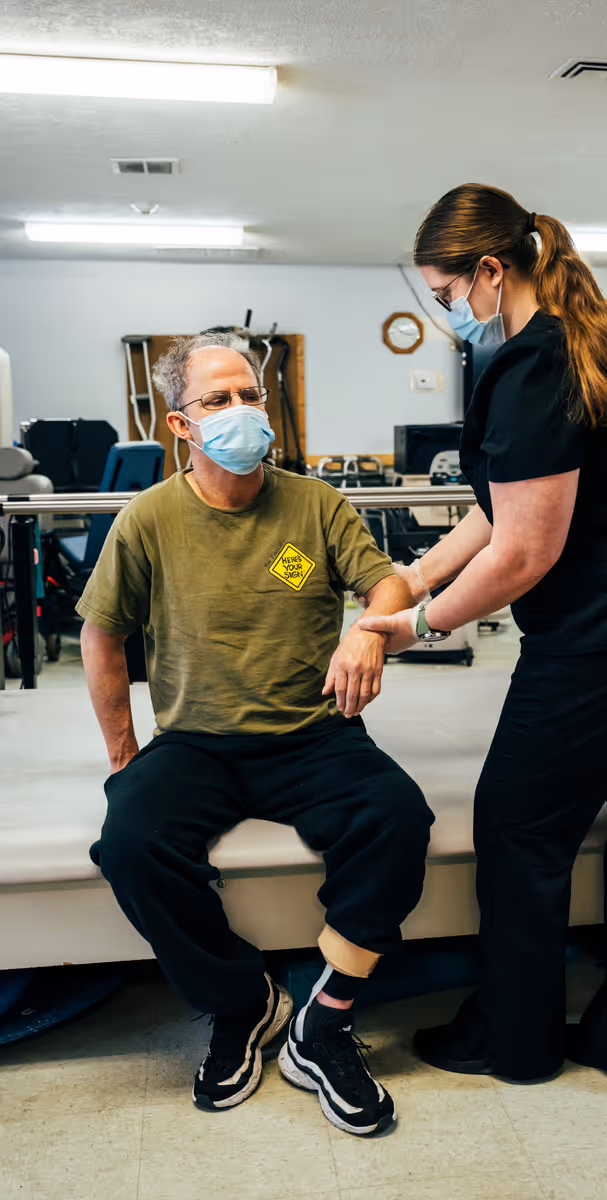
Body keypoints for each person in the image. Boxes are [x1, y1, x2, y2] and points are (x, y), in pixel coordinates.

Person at [359, 184, 607, 1097]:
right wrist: (415, 575)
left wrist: (422, 625)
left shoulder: (536, 363)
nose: (451, 312)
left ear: (490, 271)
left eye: (448, 295)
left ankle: (513, 1038)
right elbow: (507, 505)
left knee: (518, 820)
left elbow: (527, 549)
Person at [78, 332, 433, 1135]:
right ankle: (244, 1001)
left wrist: (371, 629)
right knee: (130, 843)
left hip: (314, 734)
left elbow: (390, 584)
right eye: (217, 401)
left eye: (249, 396)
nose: (241, 412)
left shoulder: (314, 505)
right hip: (196, 741)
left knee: (398, 819)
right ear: (180, 426)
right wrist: (124, 758)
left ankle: (324, 1021)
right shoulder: (150, 519)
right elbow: (102, 633)